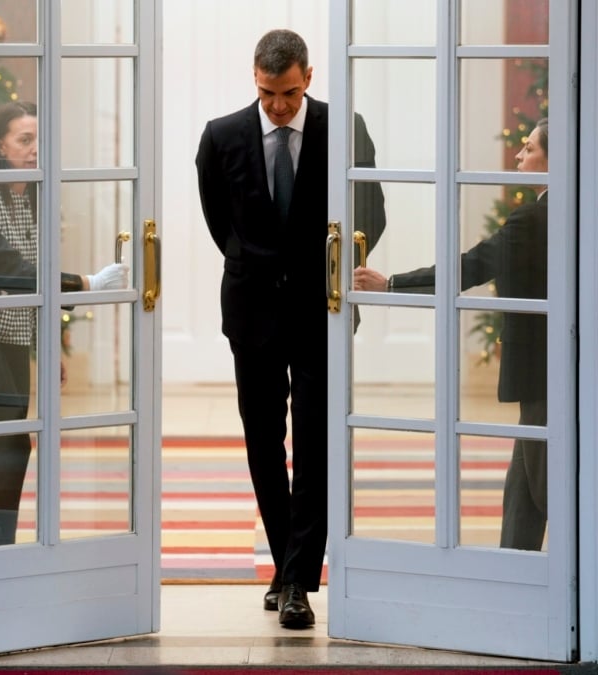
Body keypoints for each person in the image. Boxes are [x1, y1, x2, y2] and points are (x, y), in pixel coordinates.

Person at [195, 28, 386, 628]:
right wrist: (255, 263)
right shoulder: (221, 135)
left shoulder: (342, 127)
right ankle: (287, 566)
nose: (278, 105)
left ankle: (299, 580)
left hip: (319, 310)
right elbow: (218, 219)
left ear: (308, 77)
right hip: (251, 313)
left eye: (289, 93)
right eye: (267, 92)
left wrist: (327, 271)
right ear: (254, 76)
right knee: (262, 444)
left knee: (316, 444)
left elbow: (370, 213)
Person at [354, 118, 550, 552]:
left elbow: (471, 266)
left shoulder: (534, 218)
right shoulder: (555, 211)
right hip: (542, 371)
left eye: (529, 148)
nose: (518, 156)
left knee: (542, 489)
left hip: (542, 372)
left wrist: (392, 284)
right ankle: (512, 576)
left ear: (552, 158)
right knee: (522, 493)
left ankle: (542, 589)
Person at [0, 102, 129, 547]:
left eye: (39, 140)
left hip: (15, 343)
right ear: (0, 144)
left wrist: (51, 344)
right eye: (24, 140)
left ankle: (3, 548)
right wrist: (87, 282)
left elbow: (38, 273)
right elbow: (13, 270)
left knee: (13, 450)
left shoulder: (34, 193)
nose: (34, 150)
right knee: (3, 450)